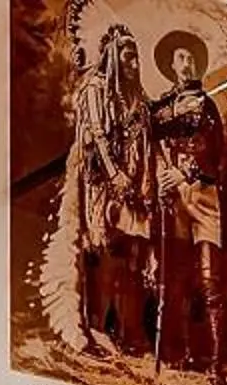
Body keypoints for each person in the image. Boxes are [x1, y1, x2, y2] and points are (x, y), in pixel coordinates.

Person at [146, 29, 227, 385]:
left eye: (191, 57)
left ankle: (216, 366)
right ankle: (181, 353)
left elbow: (214, 148)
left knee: (210, 279)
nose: (187, 62)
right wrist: (161, 177)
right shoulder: (161, 107)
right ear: (171, 65)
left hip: (204, 194)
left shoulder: (206, 105)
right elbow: (151, 141)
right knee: (176, 276)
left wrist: (185, 171)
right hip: (173, 197)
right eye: (181, 57)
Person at [62, 22, 152, 356]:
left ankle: (127, 330)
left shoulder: (137, 98)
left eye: (136, 57)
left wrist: (144, 182)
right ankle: (96, 328)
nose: (134, 63)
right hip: (99, 181)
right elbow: (98, 135)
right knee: (100, 252)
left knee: (129, 256)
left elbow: (146, 145)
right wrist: (114, 174)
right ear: (113, 55)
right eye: (128, 56)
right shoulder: (95, 89)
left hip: (130, 187)